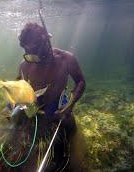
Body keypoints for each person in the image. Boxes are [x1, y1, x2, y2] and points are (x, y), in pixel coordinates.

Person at [16, 22, 86, 171]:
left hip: (57, 103)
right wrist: (19, 101)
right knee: (15, 120)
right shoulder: (25, 64)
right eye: (28, 51)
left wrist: (70, 104)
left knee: (68, 126)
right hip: (34, 104)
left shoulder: (66, 59)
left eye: (35, 50)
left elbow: (80, 81)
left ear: (47, 42)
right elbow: (19, 83)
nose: (33, 57)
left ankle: (62, 160)